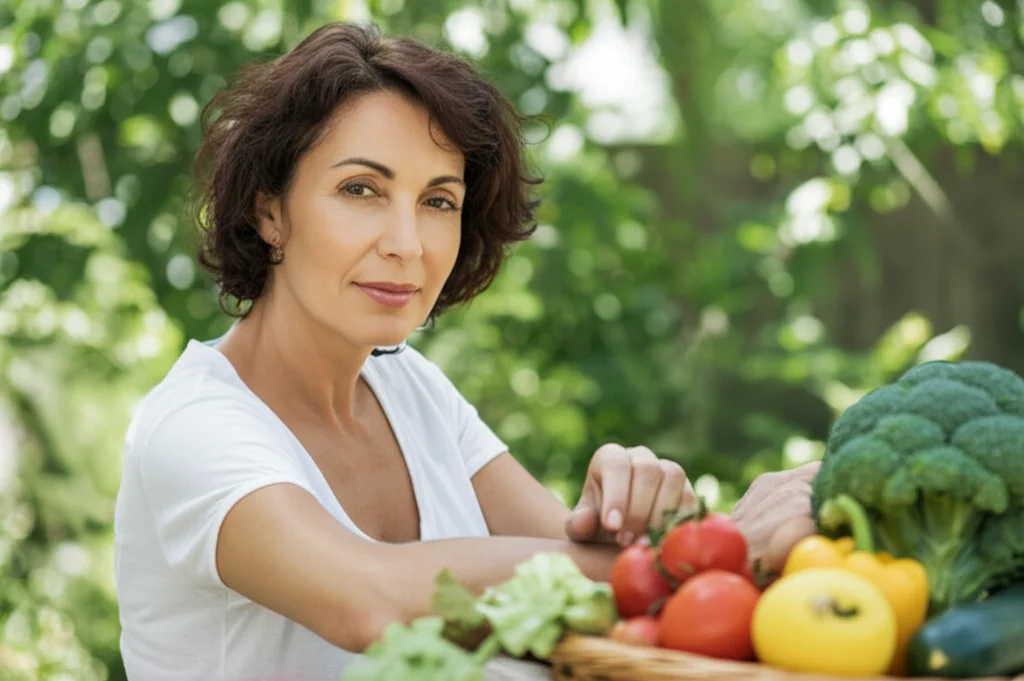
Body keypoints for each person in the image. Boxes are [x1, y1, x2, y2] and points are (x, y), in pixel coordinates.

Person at [112, 21, 820, 681]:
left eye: (438, 200)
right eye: (361, 189)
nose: (407, 243)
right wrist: (700, 555)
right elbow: (373, 600)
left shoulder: (411, 389)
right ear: (271, 211)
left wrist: (628, 508)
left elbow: (585, 572)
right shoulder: (193, 425)